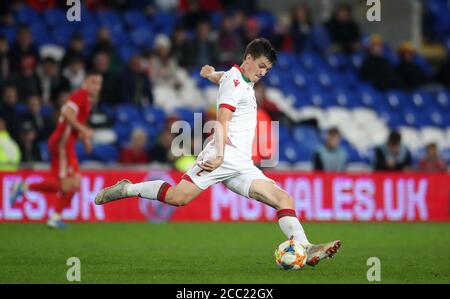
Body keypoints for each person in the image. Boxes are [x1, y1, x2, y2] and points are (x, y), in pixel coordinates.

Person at [95, 38, 341, 266]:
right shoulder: (236, 83)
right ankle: (128, 188)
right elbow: (222, 120)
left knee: (284, 200)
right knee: (178, 198)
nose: (263, 72)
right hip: (223, 155)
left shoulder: (239, 78)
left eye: (267, 69)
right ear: (248, 59)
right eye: (261, 66)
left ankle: (306, 247)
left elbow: (226, 77)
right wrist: (220, 154)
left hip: (242, 163)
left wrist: (211, 74)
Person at [10, 72, 103, 229]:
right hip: (62, 144)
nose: (97, 86)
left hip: (65, 144)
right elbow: (66, 114)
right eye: (93, 82)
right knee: (67, 184)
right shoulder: (80, 95)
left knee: (73, 183)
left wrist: (85, 139)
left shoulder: (86, 101)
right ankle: (27, 190)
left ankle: (54, 215)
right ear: (85, 83)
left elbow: (78, 122)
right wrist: (84, 131)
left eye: (99, 83)